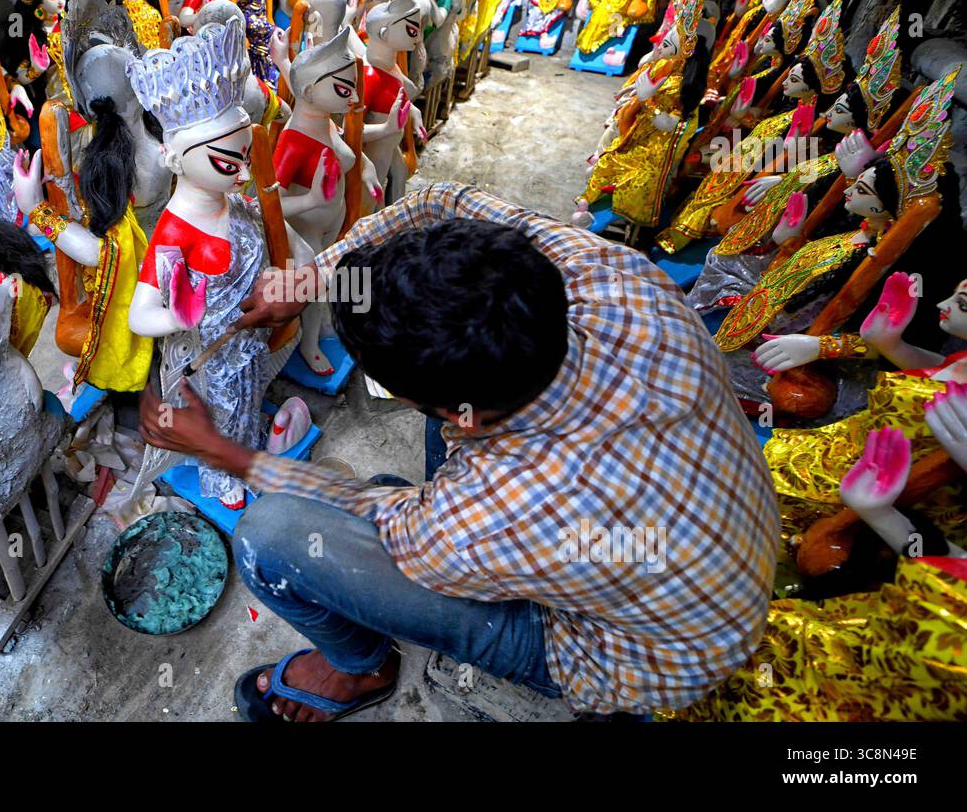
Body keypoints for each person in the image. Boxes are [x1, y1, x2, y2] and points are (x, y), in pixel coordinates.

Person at [139, 181, 779, 721]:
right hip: (700, 543)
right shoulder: (611, 276)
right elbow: (441, 200)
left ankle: (359, 668)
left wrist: (228, 454)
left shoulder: (499, 511)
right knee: (417, 483)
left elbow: (395, 519)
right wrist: (313, 276)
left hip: (644, 655)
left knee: (271, 533)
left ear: (454, 415)